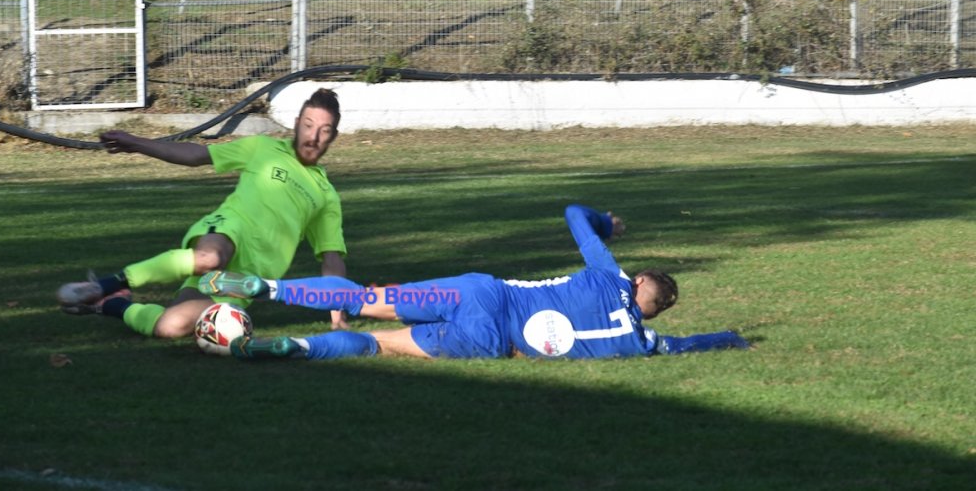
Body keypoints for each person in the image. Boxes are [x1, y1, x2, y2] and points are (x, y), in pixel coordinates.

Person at [197, 204, 750, 361]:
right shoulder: (643, 343)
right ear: (652, 312)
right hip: (489, 343)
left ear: (638, 281)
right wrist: (729, 338)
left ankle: (266, 289)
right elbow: (687, 344)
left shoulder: (610, 276)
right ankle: (284, 347)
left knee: (366, 302)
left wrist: (606, 223)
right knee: (373, 346)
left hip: (482, 292)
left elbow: (574, 212)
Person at [56, 88, 349, 338]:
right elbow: (197, 155)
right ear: (297, 124)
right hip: (230, 230)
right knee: (209, 258)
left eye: (324, 131)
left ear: (334, 136)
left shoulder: (326, 194)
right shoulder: (263, 147)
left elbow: (331, 259)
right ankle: (104, 284)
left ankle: (109, 303)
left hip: (248, 277)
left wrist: (338, 318)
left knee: (171, 326)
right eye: (308, 125)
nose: (313, 137)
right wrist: (137, 144)